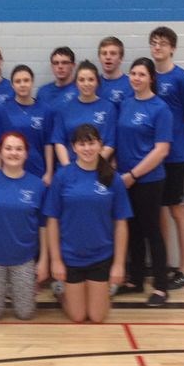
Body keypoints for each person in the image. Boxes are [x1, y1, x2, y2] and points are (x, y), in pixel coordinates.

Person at [43, 124, 132, 323]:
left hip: (101, 256)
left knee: (97, 317)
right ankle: (60, 291)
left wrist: (118, 265)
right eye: (82, 144)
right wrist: (56, 260)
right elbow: (52, 220)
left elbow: (121, 224)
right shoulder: (63, 177)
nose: (87, 149)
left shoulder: (113, 178)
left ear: (100, 145)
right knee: (78, 316)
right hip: (71, 257)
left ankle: (100, 290)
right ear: (73, 148)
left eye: (91, 143)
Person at [0, 132, 48, 321]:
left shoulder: (37, 185)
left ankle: (18, 286)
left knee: (25, 314)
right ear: (0, 152)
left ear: (26, 154)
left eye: (19, 149)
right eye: (9, 148)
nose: (14, 153)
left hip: (24, 259)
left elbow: (44, 225)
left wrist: (44, 259)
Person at [116, 57, 173, 306]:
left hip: (148, 180)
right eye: (133, 74)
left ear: (151, 78)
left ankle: (161, 286)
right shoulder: (126, 104)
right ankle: (136, 279)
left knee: (152, 233)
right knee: (133, 231)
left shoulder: (160, 108)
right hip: (124, 180)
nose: (136, 78)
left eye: (141, 74)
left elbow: (161, 150)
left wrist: (134, 175)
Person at [150, 27, 184, 290]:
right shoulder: (147, 77)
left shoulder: (182, 79)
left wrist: (178, 148)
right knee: (158, 213)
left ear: (173, 48)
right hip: (152, 160)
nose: (157, 47)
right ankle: (165, 266)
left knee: (178, 211)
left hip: (175, 159)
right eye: (154, 43)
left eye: (163, 43)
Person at [0, 64, 55, 185]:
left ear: (32, 82)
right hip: (9, 170)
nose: (22, 84)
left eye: (26, 80)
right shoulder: (2, 110)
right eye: (18, 81)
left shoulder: (46, 110)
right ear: (12, 85)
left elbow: (48, 145)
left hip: (37, 169)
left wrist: (49, 172)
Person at [52, 60, 117, 165]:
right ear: (76, 83)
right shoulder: (64, 108)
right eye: (82, 80)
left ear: (97, 82)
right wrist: (69, 168)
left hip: (98, 167)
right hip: (70, 167)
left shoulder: (108, 108)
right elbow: (59, 142)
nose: (86, 84)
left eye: (91, 79)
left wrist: (92, 165)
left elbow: (110, 143)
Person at [96, 36, 133, 108]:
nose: (108, 57)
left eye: (113, 53)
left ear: (121, 58)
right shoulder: (93, 84)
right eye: (104, 53)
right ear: (99, 58)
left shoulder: (131, 84)